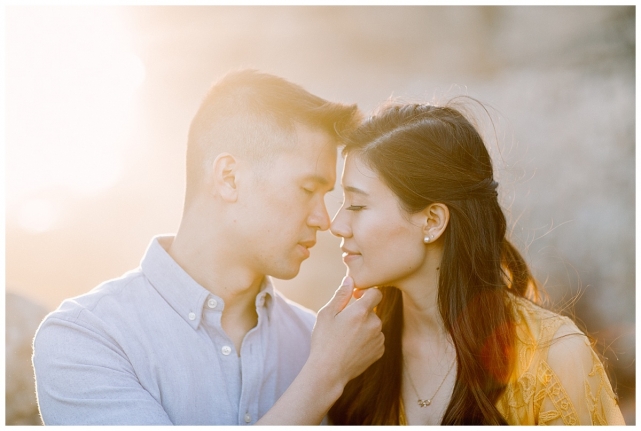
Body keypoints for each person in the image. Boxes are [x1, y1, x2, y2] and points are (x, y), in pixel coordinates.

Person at [32, 69, 385, 425]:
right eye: (308, 190)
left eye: (327, 197)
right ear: (229, 178)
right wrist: (323, 378)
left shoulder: (318, 340)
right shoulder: (84, 338)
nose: (324, 220)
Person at [327, 102, 625, 425]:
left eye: (356, 205)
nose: (336, 224)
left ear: (432, 221)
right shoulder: (355, 348)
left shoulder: (555, 358)